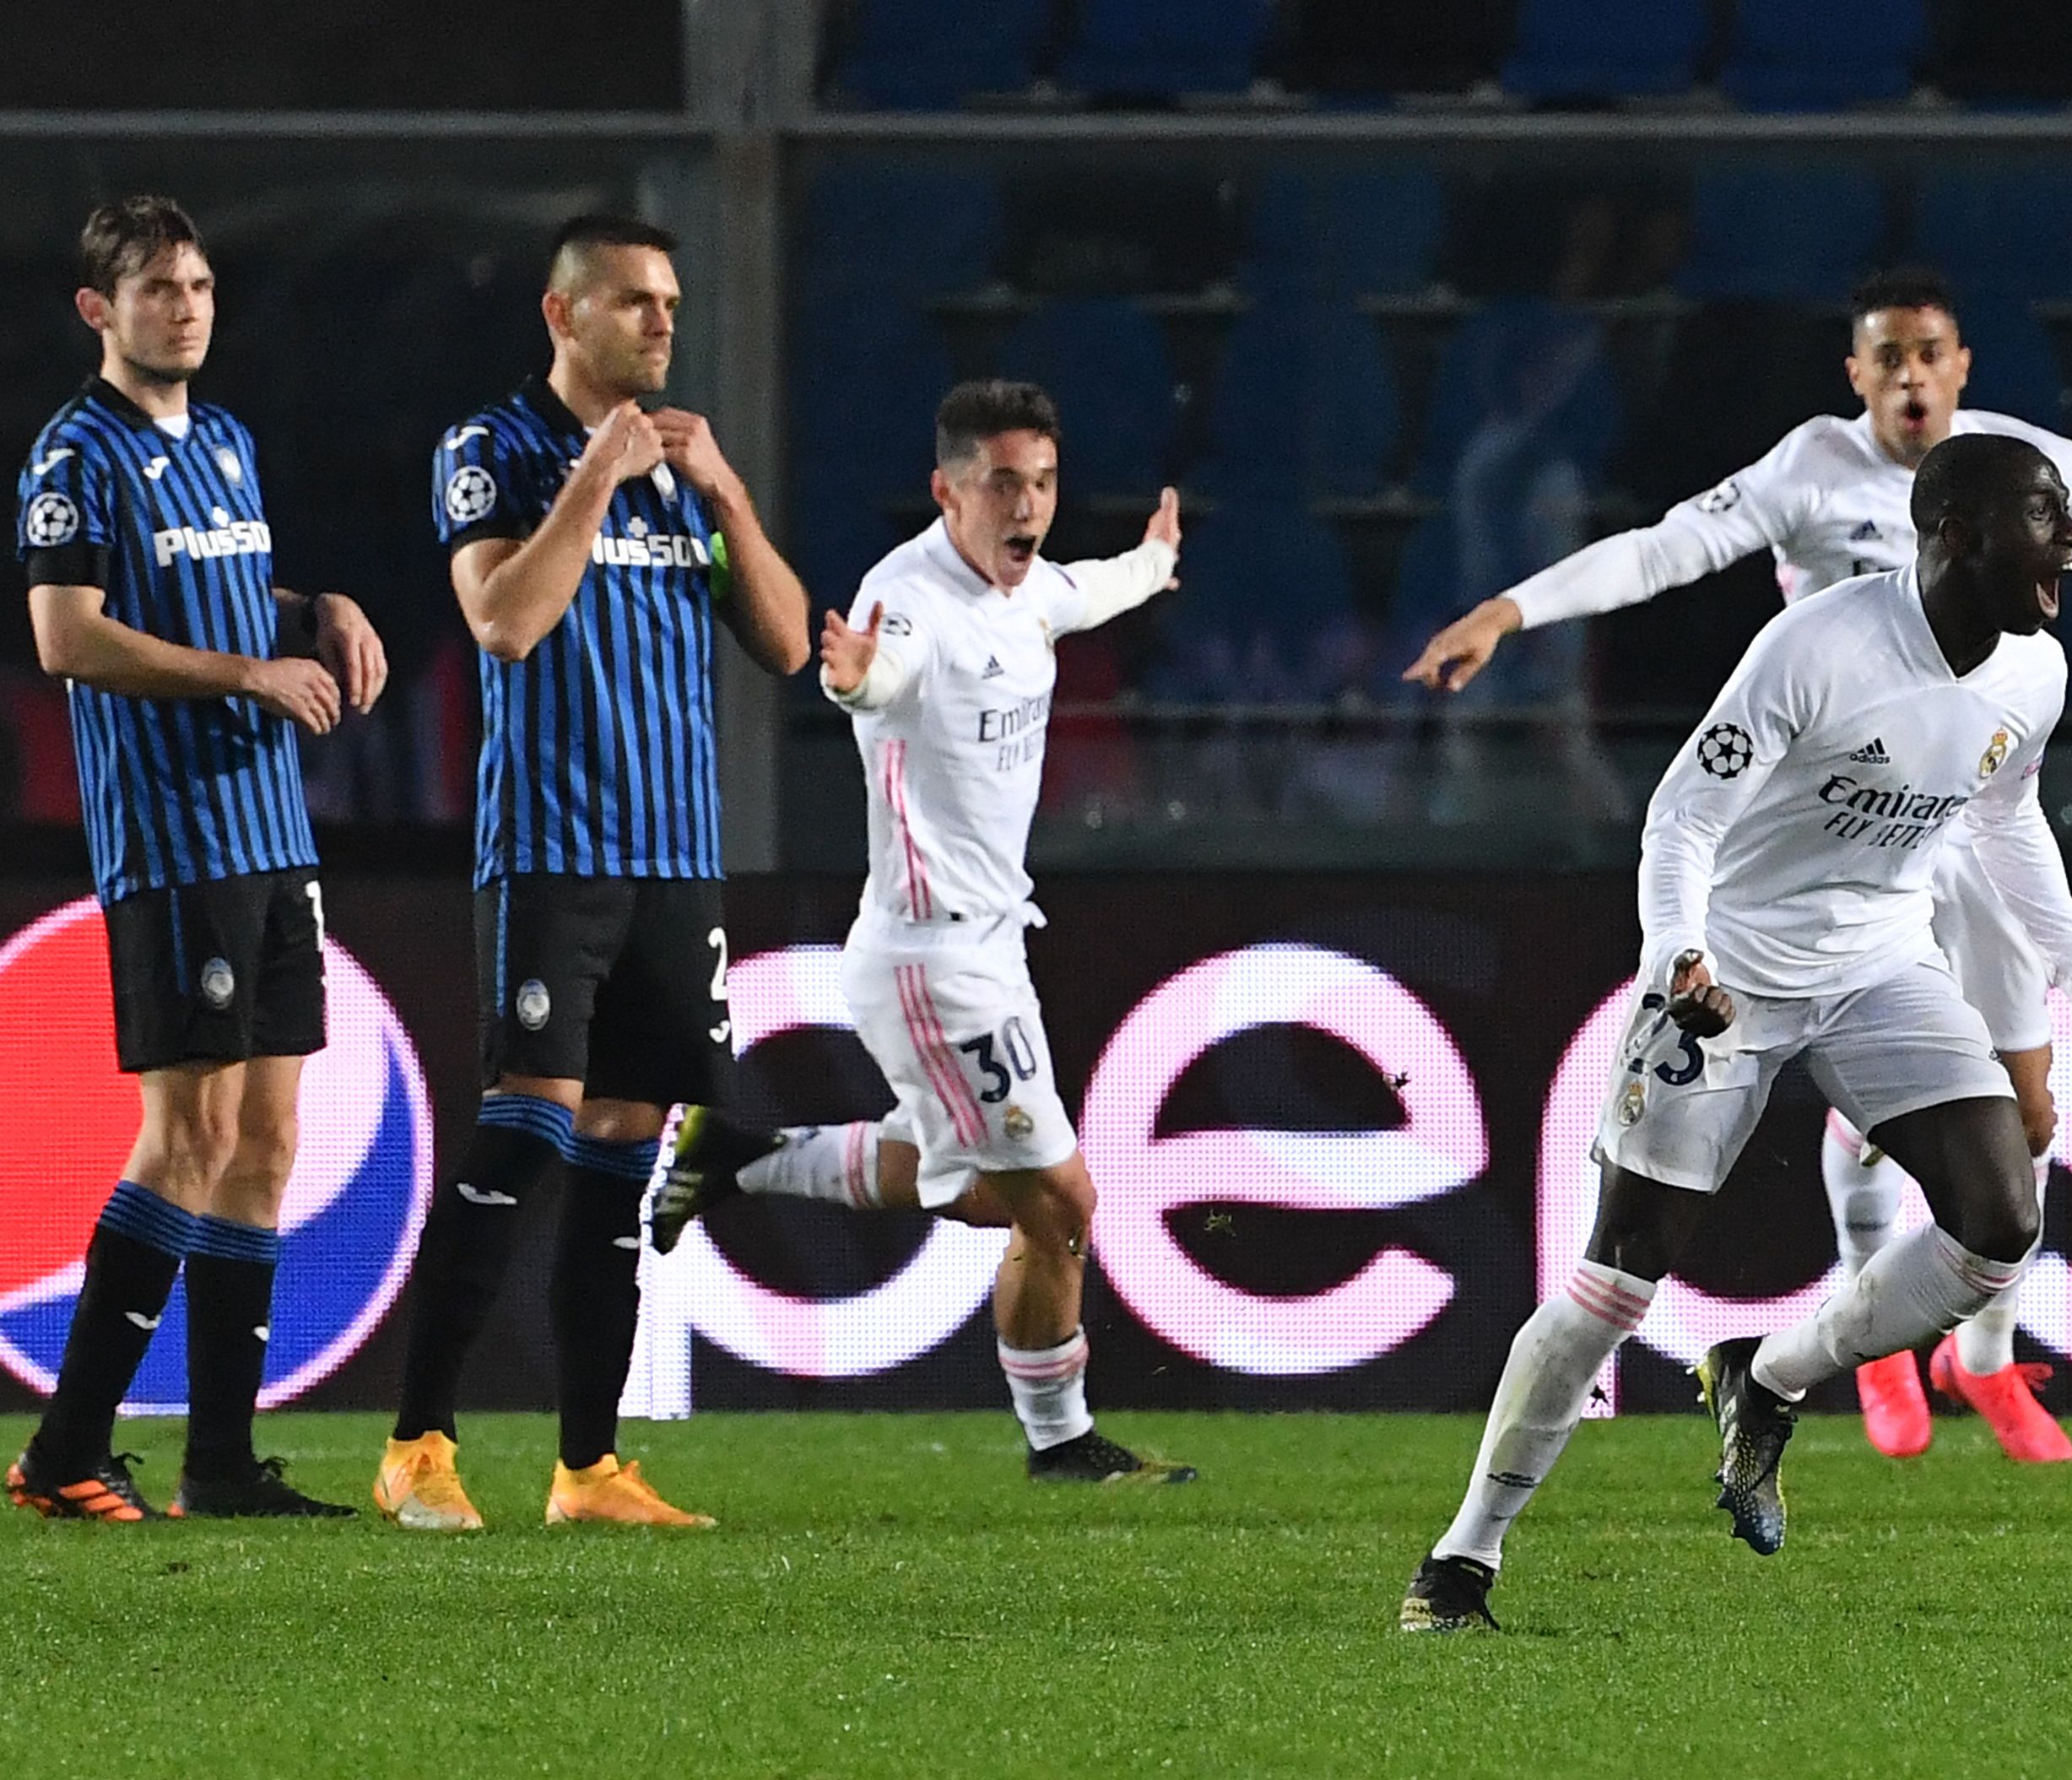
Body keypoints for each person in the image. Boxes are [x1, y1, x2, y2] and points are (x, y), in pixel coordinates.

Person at [1405, 267, 2072, 1463]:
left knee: (2024, 1118)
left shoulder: (2017, 469)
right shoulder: (1809, 473)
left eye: (1929, 351)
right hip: (1812, 834)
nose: (1910, 375)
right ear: (1857, 372)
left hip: (1956, 809)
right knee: (1875, 1118)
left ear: (1963, 363)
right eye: (1887, 356)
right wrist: (1516, 609)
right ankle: (1865, 1343)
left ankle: (1976, 1364)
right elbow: (1665, 551)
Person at [646, 381, 1195, 1483]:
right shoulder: (908, 598)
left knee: (981, 1191)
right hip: (930, 961)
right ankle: (1063, 1443)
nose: (1027, 505)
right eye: (1003, 484)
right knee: (1062, 1203)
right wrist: (855, 681)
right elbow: (882, 671)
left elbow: (1081, 591)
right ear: (948, 492)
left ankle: (747, 1157)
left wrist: (1153, 562)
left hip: (993, 947)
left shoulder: (1027, 586)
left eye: (1041, 482)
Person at [373, 214, 810, 1531]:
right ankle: (418, 1444)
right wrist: (595, 482)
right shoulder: (492, 449)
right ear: (564, 318)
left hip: (678, 860)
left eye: (671, 302)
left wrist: (725, 492)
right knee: (528, 1126)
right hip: (556, 853)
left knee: (624, 1147)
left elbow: (789, 646)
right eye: (634, 303)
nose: (664, 323)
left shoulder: (685, 472)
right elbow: (502, 621)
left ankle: (587, 1467)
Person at [9, 195, 386, 1521]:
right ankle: (63, 1452)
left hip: (270, 835)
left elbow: (225, 592)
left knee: (269, 1141)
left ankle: (220, 1464)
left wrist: (318, 608)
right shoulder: (76, 455)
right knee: (193, 1133)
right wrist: (247, 670)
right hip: (174, 841)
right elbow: (68, 636)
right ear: (98, 311)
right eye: (160, 287)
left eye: (203, 285)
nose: (188, 307)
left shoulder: (223, 440)